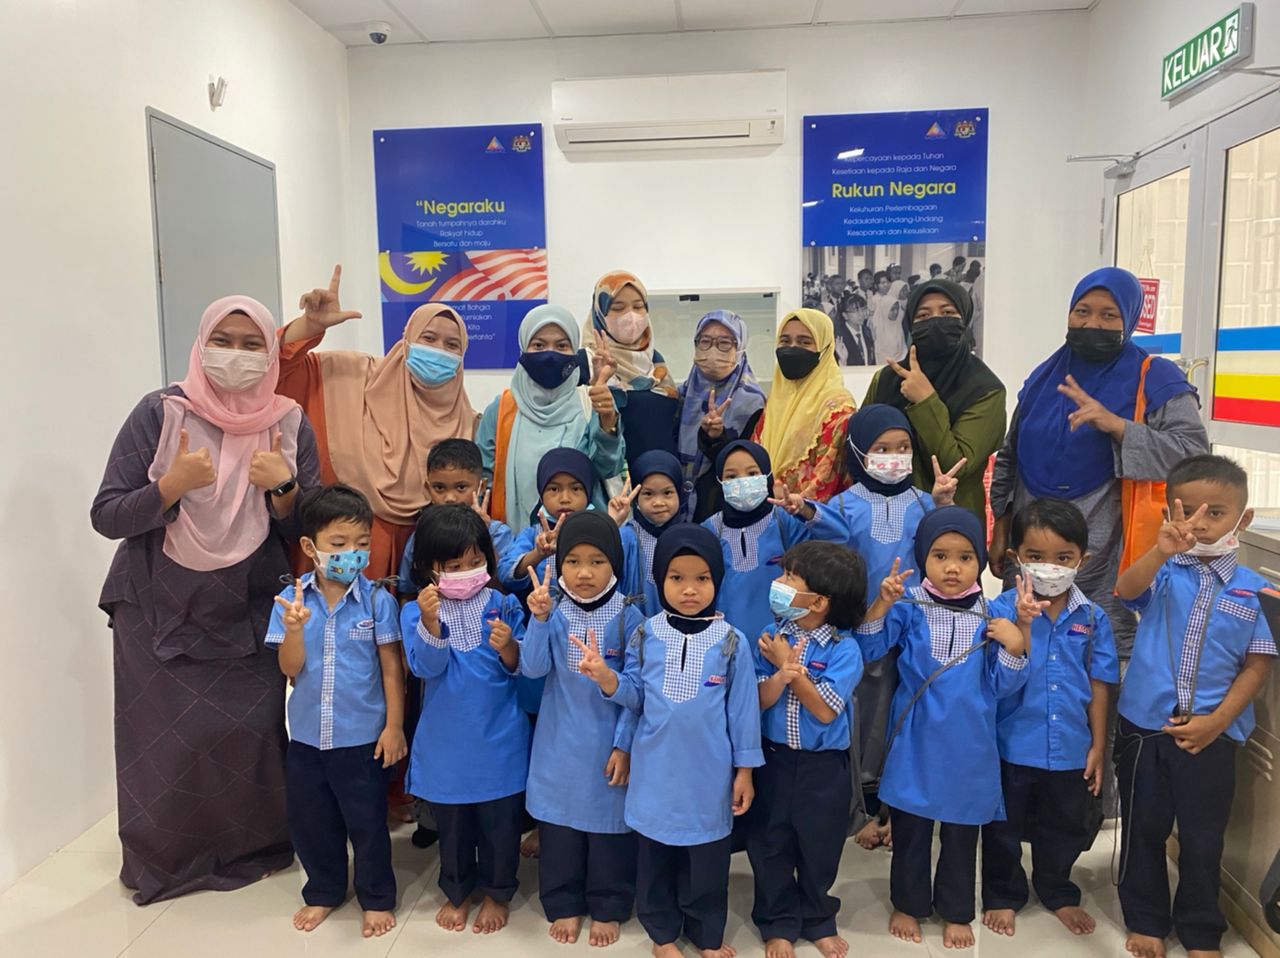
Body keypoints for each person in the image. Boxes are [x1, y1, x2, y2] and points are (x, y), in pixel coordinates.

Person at [91, 295, 320, 905]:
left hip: (247, 599)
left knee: (251, 733)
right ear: (200, 344)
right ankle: (165, 864)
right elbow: (107, 514)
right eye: (224, 341)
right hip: (157, 602)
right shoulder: (161, 412)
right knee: (164, 741)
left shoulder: (289, 421)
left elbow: (310, 526)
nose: (236, 356)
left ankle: (256, 850)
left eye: (252, 344)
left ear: (271, 353)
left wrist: (284, 489)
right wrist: (170, 485)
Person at [989, 267, 1208, 658]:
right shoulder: (1045, 377)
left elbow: (1194, 456)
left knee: (1098, 651)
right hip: (1030, 544)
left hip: (1107, 546)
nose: (1092, 323)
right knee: (1021, 646)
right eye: (1082, 311)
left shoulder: (1155, 378)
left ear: (1130, 319)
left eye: (1109, 315)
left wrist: (1118, 426)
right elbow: (1009, 457)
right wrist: (1001, 529)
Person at [855, 507, 1041, 949]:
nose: (952, 567)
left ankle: (957, 910)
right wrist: (882, 602)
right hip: (916, 739)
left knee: (962, 831)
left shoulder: (994, 611)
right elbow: (869, 648)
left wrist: (1018, 639)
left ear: (981, 560)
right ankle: (908, 903)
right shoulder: (908, 605)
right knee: (912, 829)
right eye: (940, 556)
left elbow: (1003, 685)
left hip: (970, 744)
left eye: (965, 557)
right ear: (923, 557)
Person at [574, 524, 764, 958]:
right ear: (660, 580)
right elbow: (636, 698)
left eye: (702, 578)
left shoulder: (732, 642)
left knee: (706, 864)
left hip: (708, 777)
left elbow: (743, 713)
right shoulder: (646, 635)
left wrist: (745, 772)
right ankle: (661, 935)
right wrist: (608, 681)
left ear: (717, 581)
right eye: (677, 578)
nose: (689, 589)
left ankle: (706, 935)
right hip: (655, 773)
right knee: (655, 859)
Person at [1114, 454, 1276, 958]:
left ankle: (1201, 930)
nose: (1200, 525)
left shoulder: (1255, 591)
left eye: (1216, 513)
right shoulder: (1162, 571)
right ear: (1171, 513)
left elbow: (1257, 666)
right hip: (1144, 728)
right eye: (1189, 511)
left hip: (1213, 734)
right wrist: (1159, 551)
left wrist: (1218, 722)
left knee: (1204, 838)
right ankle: (1145, 919)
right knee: (1143, 827)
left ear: (1243, 519)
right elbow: (1125, 591)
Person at [814, 404, 961, 849]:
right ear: (859, 451)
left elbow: (945, 553)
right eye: (881, 449)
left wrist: (944, 506)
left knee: (905, 715)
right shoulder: (842, 505)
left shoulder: (923, 503)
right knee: (860, 717)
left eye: (902, 448)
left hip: (914, 629)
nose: (894, 457)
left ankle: (899, 811)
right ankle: (860, 810)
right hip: (859, 630)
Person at [267, 485, 406, 938]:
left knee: (368, 824)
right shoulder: (291, 602)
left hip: (361, 738)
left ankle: (376, 897)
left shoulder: (378, 600)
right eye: (340, 543)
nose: (353, 553)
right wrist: (293, 631)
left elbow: (391, 669)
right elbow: (290, 670)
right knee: (312, 823)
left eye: (362, 543)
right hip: (308, 738)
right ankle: (324, 890)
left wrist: (394, 726)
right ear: (310, 547)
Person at [277, 266, 477, 578]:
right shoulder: (351, 375)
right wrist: (309, 326)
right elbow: (276, 371)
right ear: (407, 340)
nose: (438, 350)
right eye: (428, 338)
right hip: (337, 556)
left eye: (452, 345)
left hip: (418, 566)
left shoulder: (467, 423)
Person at [981, 498, 1120, 940]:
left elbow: (1100, 683)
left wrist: (1098, 745)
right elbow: (992, 680)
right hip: (1011, 744)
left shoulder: (1093, 618)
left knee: (1063, 826)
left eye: (1063, 557)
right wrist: (1020, 629)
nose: (1050, 568)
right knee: (1002, 828)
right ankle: (1003, 893)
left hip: (1071, 747)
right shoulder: (1000, 611)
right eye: (1036, 556)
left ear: (1083, 560)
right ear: (1016, 557)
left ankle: (1057, 888)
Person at [521, 511, 647, 948]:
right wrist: (539, 621)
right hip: (558, 743)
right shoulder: (551, 609)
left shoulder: (630, 617)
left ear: (615, 564)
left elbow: (639, 692)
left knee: (610, 833)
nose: (584, 572)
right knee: (560, 833)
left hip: (608, 744)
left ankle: (609, 904)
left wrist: (623, 743)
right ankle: (564, 901)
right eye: (573, 561)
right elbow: (532, 669)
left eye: (597, 561)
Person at [402, 505, 528, 935]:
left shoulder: (503, 604)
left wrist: (508, 646)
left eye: (475, 562)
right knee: (453, 828)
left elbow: (520, 667)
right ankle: (457, 891)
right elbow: (425, 668)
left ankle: (497, 892)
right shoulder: (415, 613)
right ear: (428, 568)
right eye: (454, 566)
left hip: (500, 738)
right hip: (447, 743)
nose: (468, 572)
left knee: (500, 826)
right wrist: (430, 622)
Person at [749, 542, 869, 958]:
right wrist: (780, 675)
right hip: (775, 760)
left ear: (819, 601)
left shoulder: (844, 649)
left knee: (821, 847)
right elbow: (758, 700)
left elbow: (824, 709)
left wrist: (792, 669)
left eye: (789, 578)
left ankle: (818, 917)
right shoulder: (771, 637)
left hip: (824, 769)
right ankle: (777, 921)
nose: (778, 583)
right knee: (771, 843)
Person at [477, 304, 625, 533]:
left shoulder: (592, 402)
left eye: (562, 345)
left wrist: (606, 419)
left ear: (574, 351)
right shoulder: (501, 409)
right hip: (513, 542)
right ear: (523, 349)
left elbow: (607, 468)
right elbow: (483, 480)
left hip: (580, 542)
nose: (550, 353)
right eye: (538, 345)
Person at [866, 278, 1006, 521]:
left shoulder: (985, 389)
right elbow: (860, 445)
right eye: (923, 315)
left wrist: (926, 401)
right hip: (885, 518)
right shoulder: (887, 379)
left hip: (950, 523)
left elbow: (955, 466)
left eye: (948, 313)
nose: (935, 321)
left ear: (964, 319)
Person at [703, 440, 846, 642]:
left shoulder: (784, 521)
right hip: (726, 643)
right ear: (720, 481)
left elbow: (838, 536)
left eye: (752, 473)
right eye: (731, 476)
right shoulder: (710, 530)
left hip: (780, 642)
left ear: (767, 475)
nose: (743, 482)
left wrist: (804, 509)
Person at [751, 309, 857, 500]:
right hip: (766, 511)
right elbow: (753, 458)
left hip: (810, 514)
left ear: (824, 349)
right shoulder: (775, 401)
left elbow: (827, 478)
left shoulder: (838, 409)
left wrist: (790, 506)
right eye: (785, 341)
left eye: (804, 342)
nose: (792, 348)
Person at [582, 270, 680, 470]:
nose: (631, 315)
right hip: (614, 479)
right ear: (599, 313)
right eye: (618, 308)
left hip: (662, 479)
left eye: (638, 306)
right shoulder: (588, 364)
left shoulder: (657, 364)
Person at [675, 309, 767, 520]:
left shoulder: (753, 403)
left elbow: (748, 466)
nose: (712, 350)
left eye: (724, 343)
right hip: (675, 504)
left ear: (740, 347)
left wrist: (716, 437)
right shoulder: (682, 394)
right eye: (705, 341)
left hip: (720, 507)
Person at [396, 438, 515, 597]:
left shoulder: (498, 534)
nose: (450, 498)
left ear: (481, 487)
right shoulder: (420, 536)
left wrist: (484, 534)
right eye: (439, 488)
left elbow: (507, 587)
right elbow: (407, 592)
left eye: (461, 487)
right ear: (427, 488)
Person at [613, 450, 689, 615]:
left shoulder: (691, 539)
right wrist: (613, 523)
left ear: (680, 493)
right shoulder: (625, 538)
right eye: (648, 494)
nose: (658, 502)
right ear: (636, 498)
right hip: (632, 625)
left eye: (667, 493)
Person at [868, 278, 907, 364]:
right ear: (884, 310)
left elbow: (903, 349)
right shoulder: (875, 327)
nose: (896, 312)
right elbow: (876, 352)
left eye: (897, 309)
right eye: (892, 309)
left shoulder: (897, 325)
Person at [832, 291, 874, 366]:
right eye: (856, 311)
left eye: (863, 309)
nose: (861, 314)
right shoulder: (839, 337)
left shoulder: (867, 331)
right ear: (845, 315)